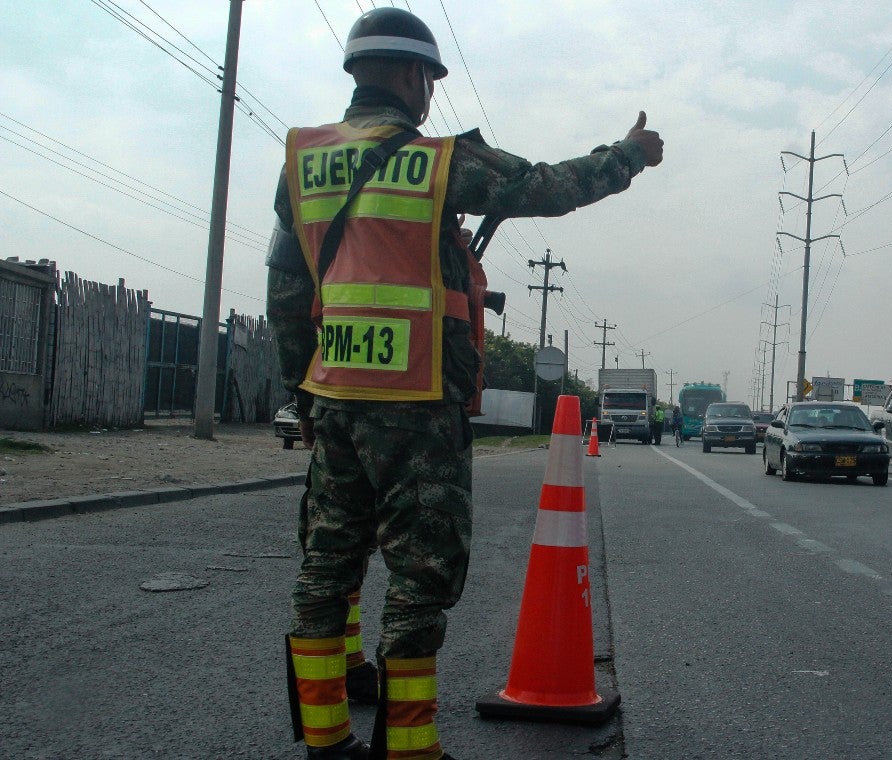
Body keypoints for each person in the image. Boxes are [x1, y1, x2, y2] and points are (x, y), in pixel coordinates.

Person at [266, 8, 663, 759]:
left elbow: (285, 293)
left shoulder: (303, 162)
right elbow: (548, 185)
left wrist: (303, 392)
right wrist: (628, 154)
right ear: (417, 79)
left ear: (357, 74)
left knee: (325, 570)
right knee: (419, 579)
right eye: (428, 82)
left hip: (336, 399)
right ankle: (409, 749)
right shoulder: (438, 162)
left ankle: (325, 743)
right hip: (414, 405)